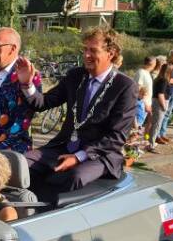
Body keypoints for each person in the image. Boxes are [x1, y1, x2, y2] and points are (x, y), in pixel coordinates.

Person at [17, 27, 137, 199]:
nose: (86, 55)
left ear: (111, 53)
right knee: (23, 163)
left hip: (100, 155)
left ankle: (51, 213)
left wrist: (78, 157)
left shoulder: (125, 86)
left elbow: (116, 136)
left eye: (93, 50)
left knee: (75, 176)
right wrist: (27, 84)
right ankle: (24, 207)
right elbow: (43, 103)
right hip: (64, 146)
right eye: (85, 49)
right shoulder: (75, 76)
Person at [147, 63, 172, 153]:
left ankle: (150, 142)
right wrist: (164, 106)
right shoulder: (163, 80)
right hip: (160, 103)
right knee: (157, 125)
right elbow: (160, 94)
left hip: (155, 101)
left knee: (154, 124)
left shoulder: (158, 79)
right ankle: (151, 144)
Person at [135, 56, 155, 129]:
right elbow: (137, 89)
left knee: (141, 126)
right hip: (141, 104)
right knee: (136, 128)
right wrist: (144, 103)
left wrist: (149, 104)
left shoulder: (147, 73)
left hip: (146, 104)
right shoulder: (141, 72)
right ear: (152, 63)